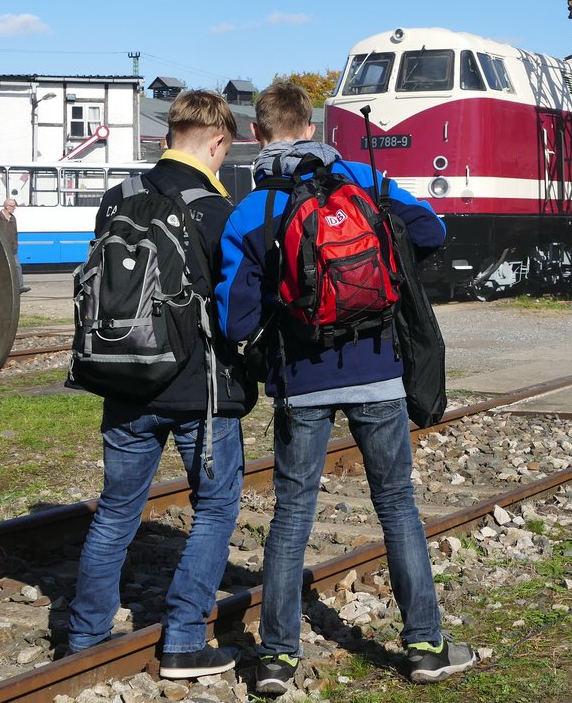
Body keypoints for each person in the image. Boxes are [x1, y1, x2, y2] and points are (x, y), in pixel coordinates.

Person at [216, 81, 477, 696]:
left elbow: (235, 320)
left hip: (301, 382)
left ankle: (276, 658)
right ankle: (425, 645)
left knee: (292, 515)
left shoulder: (251, 210)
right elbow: (433, 231)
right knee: (397, 506)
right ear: (311, 127)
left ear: (257, 133)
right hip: (379, 371)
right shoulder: (362, 177)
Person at [66, 91, 256, 679]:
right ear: (217, 141)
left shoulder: (117, 197)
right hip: (200, 390)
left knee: (116, 511)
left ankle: (85, 639)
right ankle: (183, 640)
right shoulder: (218, 209)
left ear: (170, 133)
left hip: (123, 378)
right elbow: (235, 305)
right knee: (215, 507)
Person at [0, 197, 30, 294]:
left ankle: (20, 286)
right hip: (0, 248)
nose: (14, 208)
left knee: (17, 266)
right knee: (0, 268)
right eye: (12, 206)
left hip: (12, 249)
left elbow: (15, 233)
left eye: (14, 206)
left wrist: (15, 245)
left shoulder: (13, 218)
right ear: (7, 206)